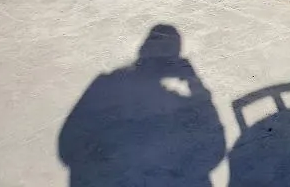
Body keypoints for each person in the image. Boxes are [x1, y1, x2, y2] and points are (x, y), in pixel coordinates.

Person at [58, 24, 225, 187]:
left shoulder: (106, 84)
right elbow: (215, 146)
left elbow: (68, 146)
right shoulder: (176, 107)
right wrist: (196, 86)